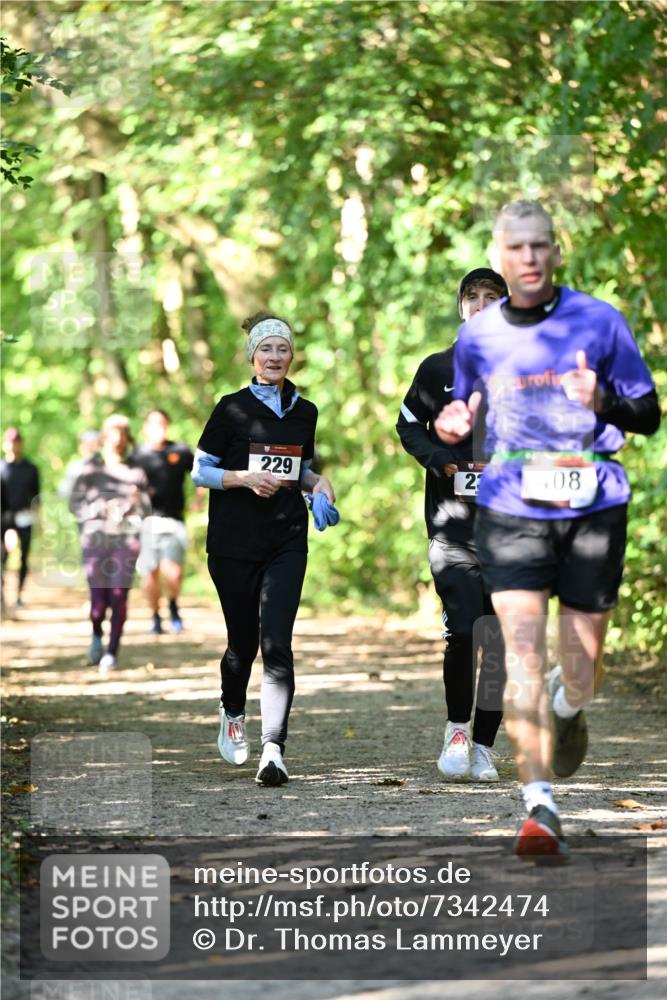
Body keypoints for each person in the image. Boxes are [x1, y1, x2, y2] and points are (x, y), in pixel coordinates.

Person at [435, 200, 661, 858]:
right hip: (510, 503)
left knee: (581, 667)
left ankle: (569, 708)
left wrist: (602, 401)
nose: (529, 258)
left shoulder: (599, 320)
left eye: (540, 246)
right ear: (501, 261)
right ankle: (537, 807)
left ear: (555, 253)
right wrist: (452, 426)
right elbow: (464, 408)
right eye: (516, 249)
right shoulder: (479, 338)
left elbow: (646, 414)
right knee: (523, 653)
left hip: (591, 498)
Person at [192, 312, 336, 787]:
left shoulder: (305, 411)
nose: (275, 357)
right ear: (252, 356)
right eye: (266, 349)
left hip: (286, 540)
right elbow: (201, 471)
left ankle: (273, 749)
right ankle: (233, 710)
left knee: (277, 643)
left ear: (291, 355)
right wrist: (243, 478)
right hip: (233, 543)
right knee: (242, 646)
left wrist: (320, 485)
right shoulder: (230, 408)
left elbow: (301, 471)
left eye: (282, 349)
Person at [397, 269, 508, 783]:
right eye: (473, 297)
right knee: (464, 630)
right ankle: (457, 731)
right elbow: (405, 423)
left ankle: (484, 743)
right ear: (460, 306)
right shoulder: (436, 368)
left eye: (492, 298)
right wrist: (436, 456)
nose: (481, 305)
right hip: (452, 528)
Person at [69, 414, 151, 672]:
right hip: (95, 538)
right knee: (98, 601)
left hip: (126, 540)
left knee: (119, 594)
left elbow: (147, 509)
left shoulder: (136, 470)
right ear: (104, 437)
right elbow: (75, 504)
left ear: (127, 438)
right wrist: (101, 507)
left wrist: (136, 505)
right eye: (113, 433)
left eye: (122, 433)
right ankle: (96, 635)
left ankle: (112, 651)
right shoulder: (91, 468)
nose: (117, 438)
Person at [129, 409, 201, 634]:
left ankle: (173, 605)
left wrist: (198, 500)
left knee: (173, 572)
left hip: (174, 519)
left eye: (162, 423)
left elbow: (199, 473)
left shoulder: (179, 451)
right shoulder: (137, 455)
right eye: (153, 424)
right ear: (145, 428)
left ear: (168, 425)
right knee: (149, 572)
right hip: (146, 521)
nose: (158, 428)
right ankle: (155, 616)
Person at [1, 428, 40, 609]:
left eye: (17, 441)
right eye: (10, 441)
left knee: (24, 556)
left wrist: (39, 520)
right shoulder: (1, 468)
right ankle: (2, 595)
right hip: (3, 518)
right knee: (2, 556)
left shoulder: (31, 469)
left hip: (25, 516)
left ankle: (18, 595)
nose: (13, 445)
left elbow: (36, 498)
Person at [58, 430, 101, 504]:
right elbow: (63, 493)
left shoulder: (107, 465)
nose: (91, 447)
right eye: (88, 444)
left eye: (94, 444)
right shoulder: (75, 467)